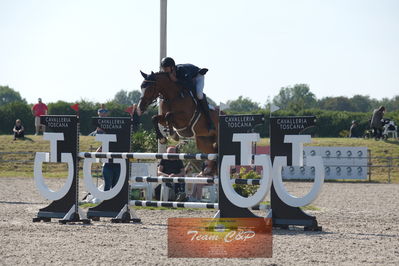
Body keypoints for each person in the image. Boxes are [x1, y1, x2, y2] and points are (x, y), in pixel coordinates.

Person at [160, 57, 215, 132]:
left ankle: (210, 122)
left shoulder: (181, 70)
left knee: (199, 94)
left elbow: (190, 85)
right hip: (187, 80)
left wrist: (176, 80)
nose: (164, 70)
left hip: (197, 77)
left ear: (172, 67)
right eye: (163, 68)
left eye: (166, 68)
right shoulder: (168, 73)